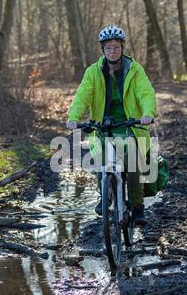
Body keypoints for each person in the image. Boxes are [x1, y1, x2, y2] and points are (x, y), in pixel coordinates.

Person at [66, 25, 156, 225]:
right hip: (103, 126)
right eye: (108, 48)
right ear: (103, 50)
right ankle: (105, 194)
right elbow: (82, 96)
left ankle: (137, 206)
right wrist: (74, 117)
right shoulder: (94, 72)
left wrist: (148, 114)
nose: (112, 51)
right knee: (100, 157)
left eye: (116, 47)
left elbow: (145, 93)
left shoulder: (134, 69)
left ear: (122, 48)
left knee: (132, 161)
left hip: (130, 125)